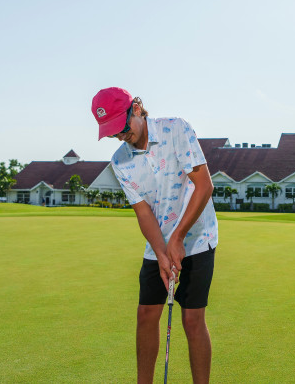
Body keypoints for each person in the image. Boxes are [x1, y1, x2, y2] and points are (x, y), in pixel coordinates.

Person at [91, 87, 217, 384]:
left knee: (192, 319)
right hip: (157, 241)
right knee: (146, 314)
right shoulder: (120, 161)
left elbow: (204, 186)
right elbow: (144, 212)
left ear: (136, 108)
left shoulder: (176, 129)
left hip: (198, 238)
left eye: (121, 126)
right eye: (111, 131)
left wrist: (178, 238)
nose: (119, 135)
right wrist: (161, 252)